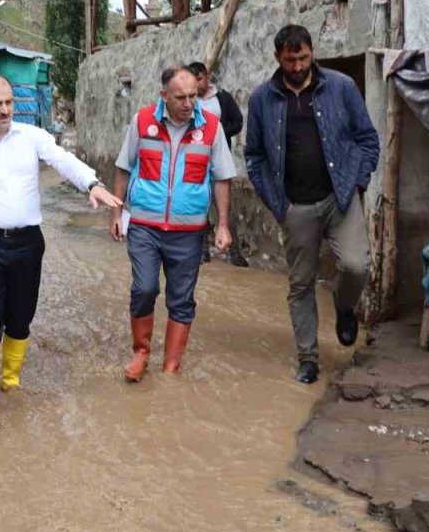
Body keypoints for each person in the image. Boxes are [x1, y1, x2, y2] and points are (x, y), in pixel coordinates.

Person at [0, 74, 122, 428]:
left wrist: (93, 183)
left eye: (9, 102)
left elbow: (63, 160)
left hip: (27, 243)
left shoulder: (32, 137)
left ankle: (10, 379)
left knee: (20, 317)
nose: (5, 110)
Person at [244, 25, 379, 384]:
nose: (298, 66)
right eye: (290, 60)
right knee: (300, 284)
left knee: (355, 265)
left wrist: (359, 180)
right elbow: (254, 157)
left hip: (341, 197)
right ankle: (308, 358)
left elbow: (368, 139)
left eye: (303, 57)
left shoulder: (341, 88)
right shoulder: (262, 100)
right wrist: (277, 204)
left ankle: (344, 306)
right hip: (295, 206)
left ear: (312, 51)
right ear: (278, 59)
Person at [109, 66, 236, 381]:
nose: (189, 103)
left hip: (189, 232)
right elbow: (123, 168)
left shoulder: (211, 128)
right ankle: (140, 353)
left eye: (194, 95)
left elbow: (222, 179)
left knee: (181, 299)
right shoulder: (142, 121)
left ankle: (170, 368)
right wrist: (116, 214)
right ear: (164, 95)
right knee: (144, 288)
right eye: (180, 97)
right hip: (144, 226)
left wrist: (222, 224)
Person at [187, 61, 247, 267]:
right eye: (194, 80)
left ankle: (234, 252)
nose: (197, 84)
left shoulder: (222, 98)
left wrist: (218, 133)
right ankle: (202, 251)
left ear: (207, 77)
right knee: (199, 206)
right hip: (195, 164)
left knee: (225, 208)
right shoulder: (189, 101)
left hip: (219, 161)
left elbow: (237, 122)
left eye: (200, 79)